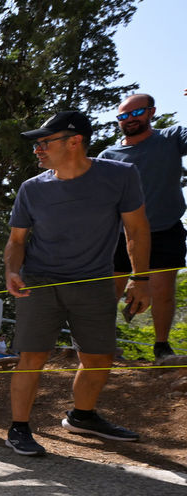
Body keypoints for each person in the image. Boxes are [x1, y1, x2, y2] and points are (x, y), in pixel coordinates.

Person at [4, 110, 150, 456]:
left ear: (74, 141)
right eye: (36, 144)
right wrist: (12, 270)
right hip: (40, 281)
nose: (37, 149)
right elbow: (16, 240)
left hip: (94, 281)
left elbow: (137, 230)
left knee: (99, 357)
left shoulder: (121, 176)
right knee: (32, 356)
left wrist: (140, 278)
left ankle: (83, 416)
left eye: (44, 142)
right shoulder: (32, 189)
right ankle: (19, 428)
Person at [98, 93, 187, 361]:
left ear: (151, 112)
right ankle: (101, 345)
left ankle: (161, 347)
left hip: (164, 228)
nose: (130, 119)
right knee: (108, 291)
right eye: (123, 116)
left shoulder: (171, 138)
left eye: (136, 113)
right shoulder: (108, 156)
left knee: (162, 291)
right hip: (121, 234)